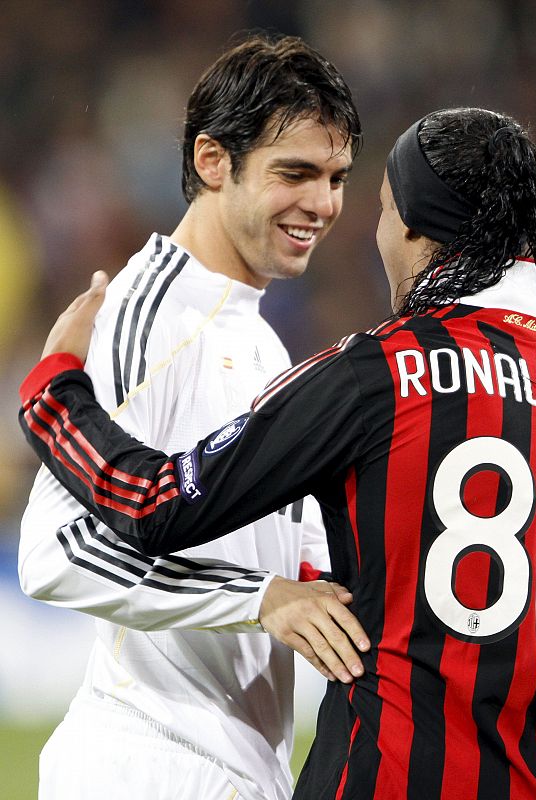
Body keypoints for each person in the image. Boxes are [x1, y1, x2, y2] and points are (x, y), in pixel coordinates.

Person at [19, 107, 536, 800]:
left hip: (388, 777)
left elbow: (153, 503)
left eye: (379, 207)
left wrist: (56, 392)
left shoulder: (379, 372)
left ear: (416, 226)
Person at [18, 34, 369, 800]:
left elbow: (292, 553)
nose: (323, 203)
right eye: (295, 173)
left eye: (336, 177)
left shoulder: (262, 339)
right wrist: (258, 600)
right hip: (148, 761)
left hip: (229, 763)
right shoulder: (144, 314)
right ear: (213, 162)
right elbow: (55, 550)